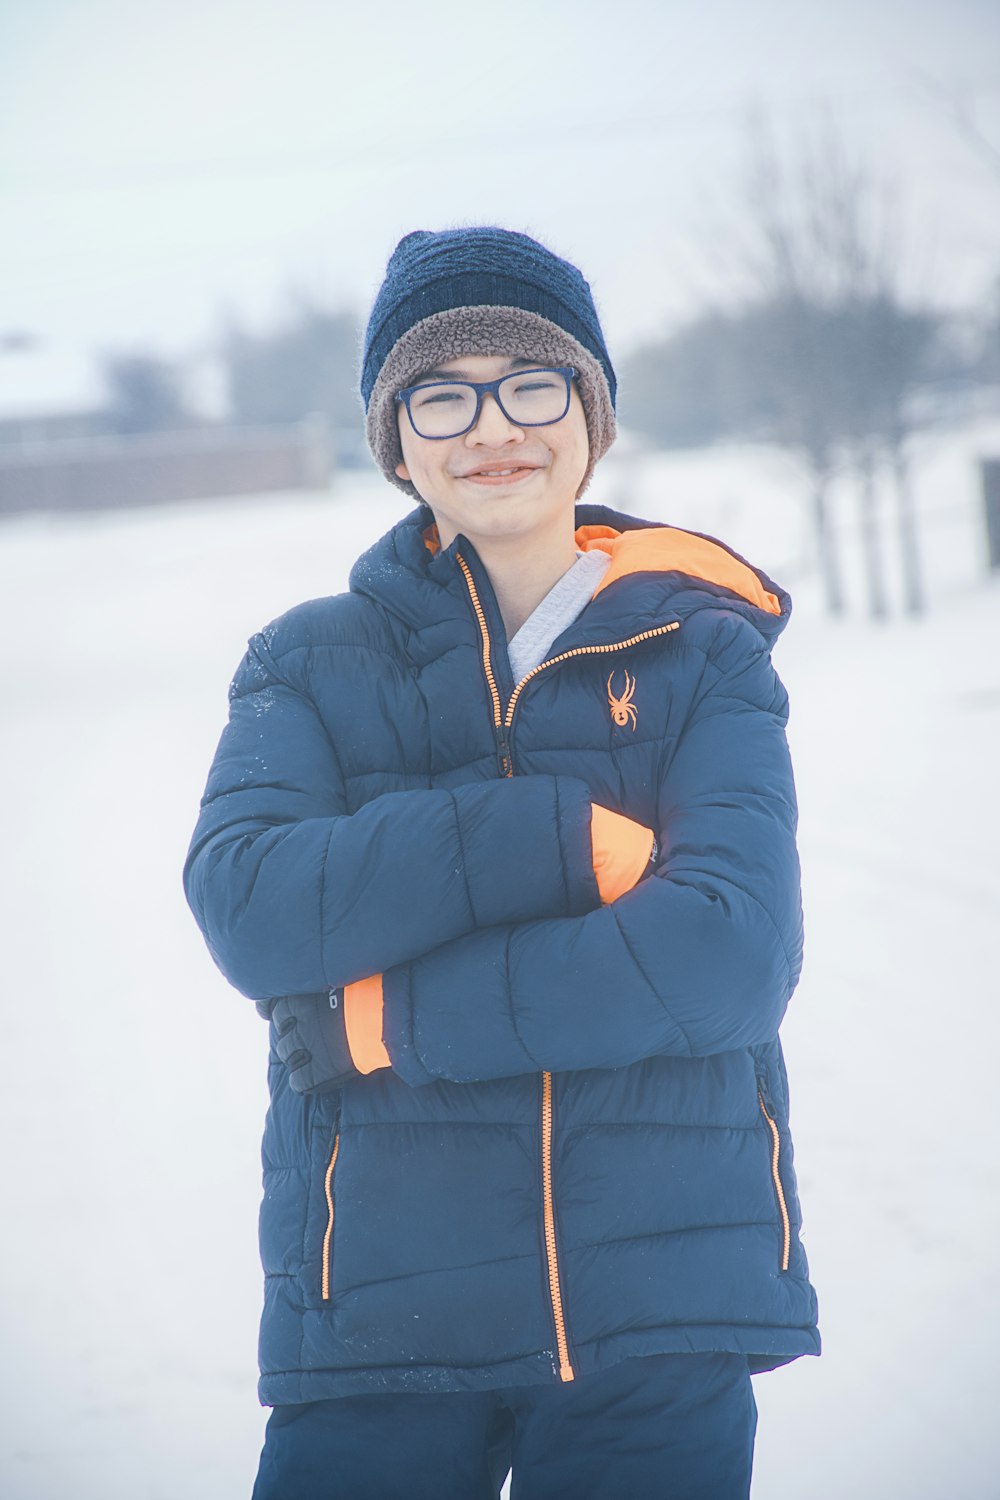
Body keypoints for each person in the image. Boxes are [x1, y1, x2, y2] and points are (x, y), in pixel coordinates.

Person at [183, 225, 819, 1499]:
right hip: (379, 1317)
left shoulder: (704, 652)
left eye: (532, 382)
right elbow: (254, 908)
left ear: (590, 414)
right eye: (441, 392)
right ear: (394, 437)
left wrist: (388, 1023)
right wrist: (550, 839)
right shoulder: (302, 662)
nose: (493, 427)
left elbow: (727, 957)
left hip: (660, 1309)